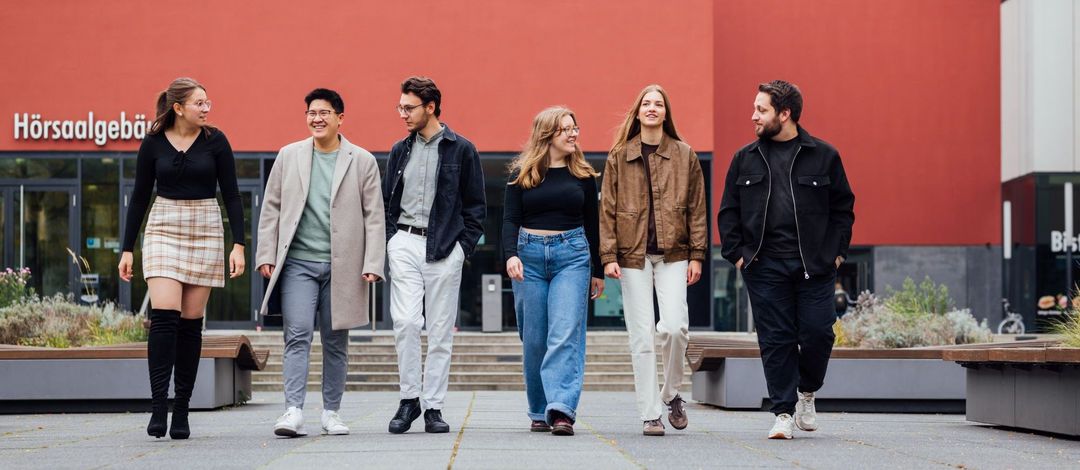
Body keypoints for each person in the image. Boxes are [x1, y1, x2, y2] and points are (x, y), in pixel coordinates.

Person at [718, 80, 855, 439]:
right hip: (764, 266)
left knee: (817, 334)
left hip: (815, 266)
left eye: (761, 110)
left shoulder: (824, 155)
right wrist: (738, 257)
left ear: (785, 113)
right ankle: (782, 412)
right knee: (775, 339)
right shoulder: (744, 158)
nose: (753, 116)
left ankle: (807, 391)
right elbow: (728, 212)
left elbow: (843, 209)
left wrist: (837, 254)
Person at [118, 77, 246, 439]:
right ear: (178, 108)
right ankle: (159, 406)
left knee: (191, 322)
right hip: (162, 225)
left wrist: (239, 244)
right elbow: (140, 197)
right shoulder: (153, 143)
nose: (207, 108)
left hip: (205, 224)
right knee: (165, 315)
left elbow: (233, 195)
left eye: (208, 102)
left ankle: (182, 410)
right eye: (199, 103)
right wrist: (127, 248)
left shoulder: (216, 141)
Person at [255, 88, 385, 437]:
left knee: (335, 339)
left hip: (344, 266)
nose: (317, 118)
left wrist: (373, 260)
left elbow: (374, 216)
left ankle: (331, 412)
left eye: (325, 112)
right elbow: (272, 208)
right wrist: (266, 253)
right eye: (312, 112)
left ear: (340, 118)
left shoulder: (362, 160)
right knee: (296, 334)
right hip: (298, 262)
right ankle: (293, 411)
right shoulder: (289, 155)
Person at [599, 84, 708, 436]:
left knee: (675, 327)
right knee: (641, 338)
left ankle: (671, 392)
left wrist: (697, 254)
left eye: (658, 104)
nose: (652, 108)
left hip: (675, 253)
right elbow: (608, 210)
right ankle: (650, 414)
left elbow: (697, 208)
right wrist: (608, 255)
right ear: (638, 111)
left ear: (665, 113)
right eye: (646, 103)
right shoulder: (619, 156)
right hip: (632, 257)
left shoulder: (684, 154)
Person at [383, 76, 486, 434]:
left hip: (445, 247)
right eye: (400, 107)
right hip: (405, 243)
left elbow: (476, 207)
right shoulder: (400, 149)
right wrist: (391, 240)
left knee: (440, 330)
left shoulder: (463, 149)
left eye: (408, 108)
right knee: (407, 322)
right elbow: (388, 202)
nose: (402, 114)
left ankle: (434, 407)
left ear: (430, 107)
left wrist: (462, 249)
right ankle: (409, 399)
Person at [504, 106, 604, 436]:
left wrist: (598, 270)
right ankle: (538, 408)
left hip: (572, 257)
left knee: (564, 333)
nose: (574, 134)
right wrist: (510, 255)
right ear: (547, 135)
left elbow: (593, 224)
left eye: (575, 128)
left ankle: (561, 409)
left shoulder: (584, 177)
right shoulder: (520, 173)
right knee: (534, 338)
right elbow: (509, 220)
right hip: (528, 257)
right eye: (566, 129)